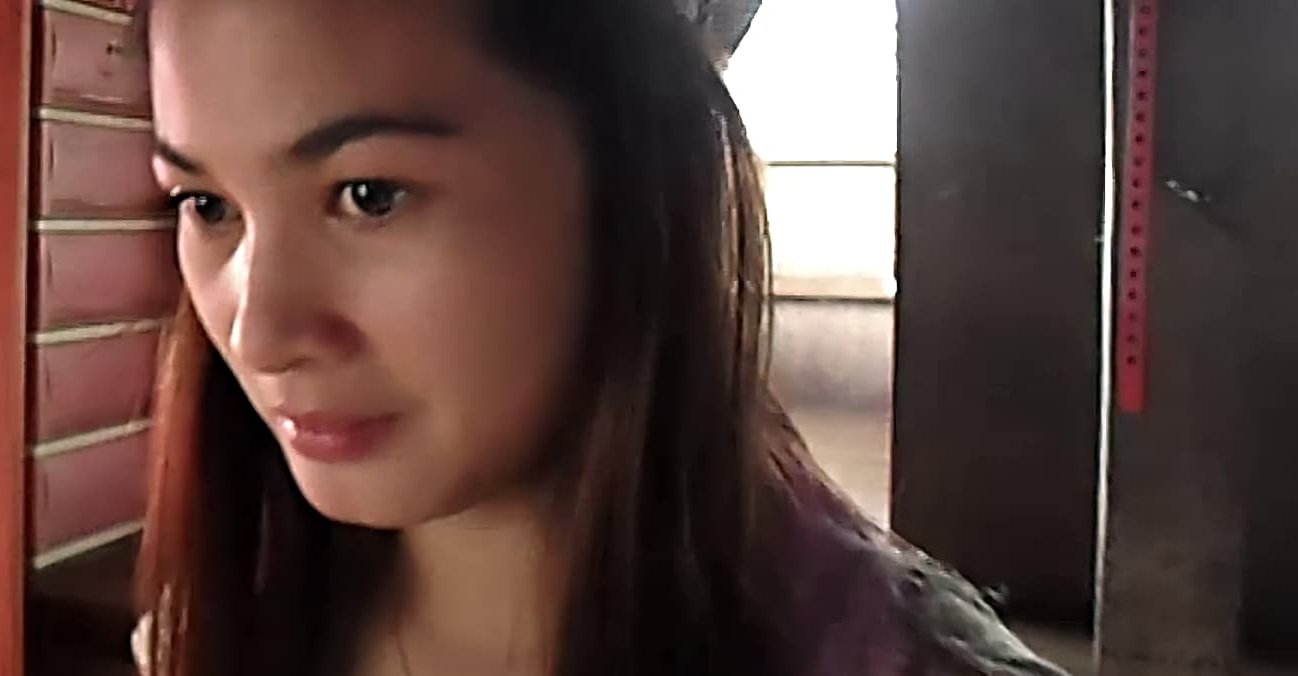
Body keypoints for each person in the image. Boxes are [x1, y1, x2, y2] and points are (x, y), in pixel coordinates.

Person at [128, 1, 1072, 675]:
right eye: (207, 205)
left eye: (370, 196)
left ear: (637, 178)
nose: (259, 331)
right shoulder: (206, 632)